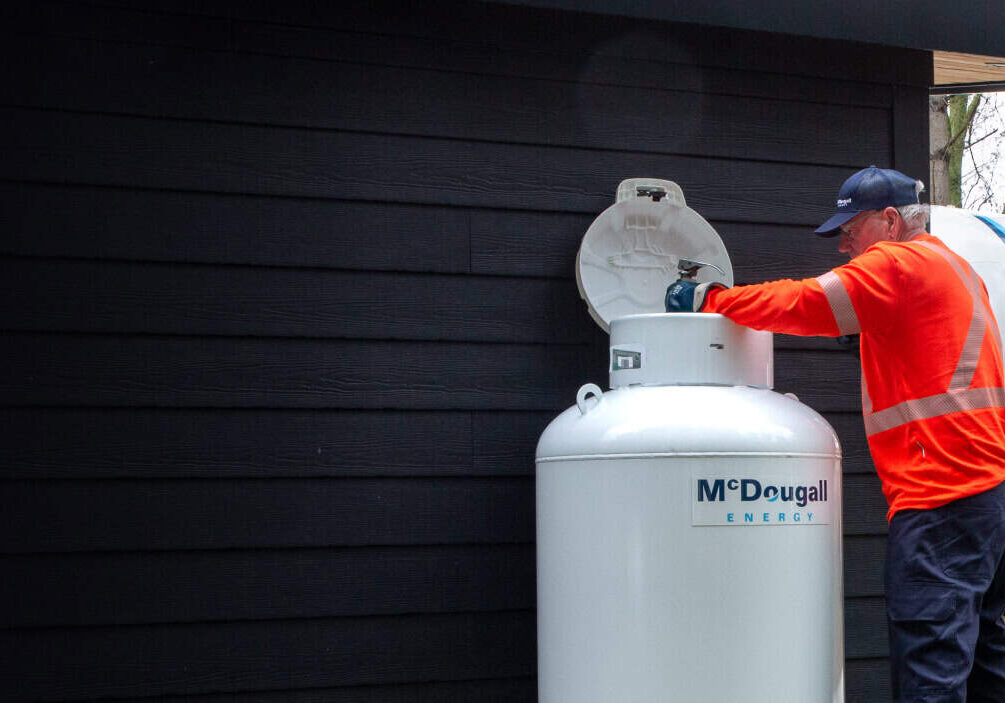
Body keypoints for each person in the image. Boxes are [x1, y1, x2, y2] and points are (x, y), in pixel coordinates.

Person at [666, 165, 1005, 702]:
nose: (845, 243)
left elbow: (802, 302)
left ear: (891, 221)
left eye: (852, 228)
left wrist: (711, 299)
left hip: (941, 497)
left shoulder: (898, 264)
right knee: (985, 665)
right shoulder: (954, 266)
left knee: (930, 674)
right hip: (985, 497)